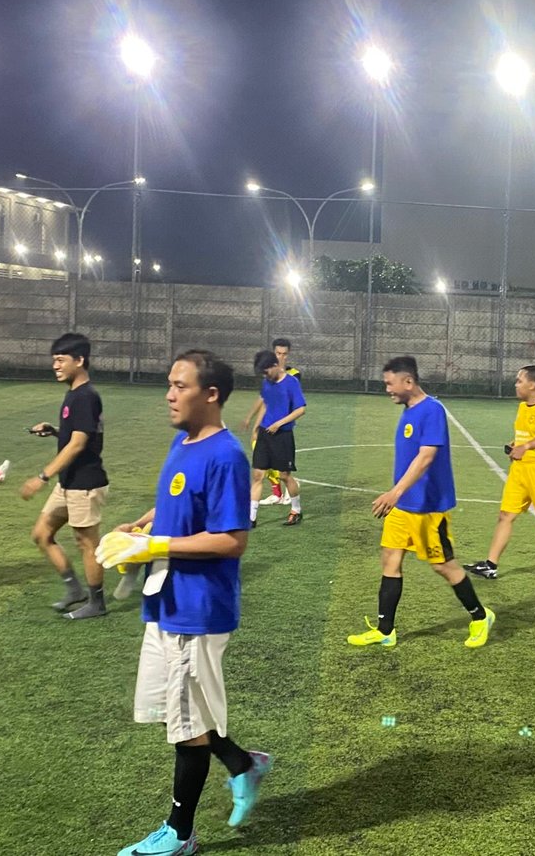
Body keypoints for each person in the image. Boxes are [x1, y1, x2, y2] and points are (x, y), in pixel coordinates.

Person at [103, 350, 269, 856]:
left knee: (188, 724)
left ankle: (179, 834)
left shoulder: (227, 456)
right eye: (169, 384)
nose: (169, 395)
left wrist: (155, 546)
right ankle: (242, 763)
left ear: (211, 394)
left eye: (180, 386)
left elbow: (231, 540)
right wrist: (141, 527)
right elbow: (177, 503)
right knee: (175, 710)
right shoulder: (184, 442)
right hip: (166, 598)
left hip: (197, 609)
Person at [348, 356, 495, 649]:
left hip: (428, 508)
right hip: (403, 507)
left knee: (444, 566)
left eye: (390, 383)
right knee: (390, 560)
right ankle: (385, 630)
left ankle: (481, 617)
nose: (387, 389)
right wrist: (398, 496)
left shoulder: (432, 410)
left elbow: (426, 457)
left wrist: (394, 493)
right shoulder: (408, 411)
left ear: (408, 381)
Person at [20, 332, 111, 620]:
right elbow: (80, 435)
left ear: (79, 360)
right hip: (69, 482)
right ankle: (75, 590)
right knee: (42, 535)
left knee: (87, 543)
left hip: (85, 483)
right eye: (54, 361)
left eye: (61, 360)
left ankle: (96, 603)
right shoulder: (75, 394)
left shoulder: (85, 396)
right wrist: (55, 431)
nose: (55, 366)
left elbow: (78, 444)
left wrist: (42, 476)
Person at [464, 364, 535, 582]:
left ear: (532, 385)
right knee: (506, 515)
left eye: (520, 381)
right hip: (520, 470)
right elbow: (527, 433)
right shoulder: (523, 406)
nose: (516, 384)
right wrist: (516, 444)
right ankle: (491, 565)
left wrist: (526, 447)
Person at [246, 349, 306, 527]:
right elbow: (266, 404)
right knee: (258, 475)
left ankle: (296, 510)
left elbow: (301, 409)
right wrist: (256, 427)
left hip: (282, 435)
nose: (265, 376)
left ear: (274, 365)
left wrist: (279, 424)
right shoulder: (267, 382)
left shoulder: (291, 383)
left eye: (266, 372)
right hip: (265, 434)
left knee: (284, 476)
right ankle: (251, 518)